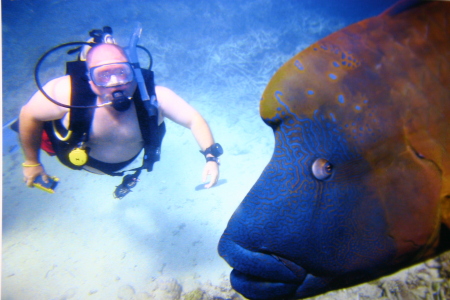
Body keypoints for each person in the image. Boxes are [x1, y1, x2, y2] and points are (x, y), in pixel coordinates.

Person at [19, 42, 221, 196]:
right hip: (74, 156)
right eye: (103, 76)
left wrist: (211, 158)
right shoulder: (65, 93)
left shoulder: (156, 97)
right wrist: (31, 162)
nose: (116, 83)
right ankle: (88, 50)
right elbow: (28, 114)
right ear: (90, 81)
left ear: (133, 72)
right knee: (43, 125)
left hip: (127, 165)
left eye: (121, 72)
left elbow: (194, 119)